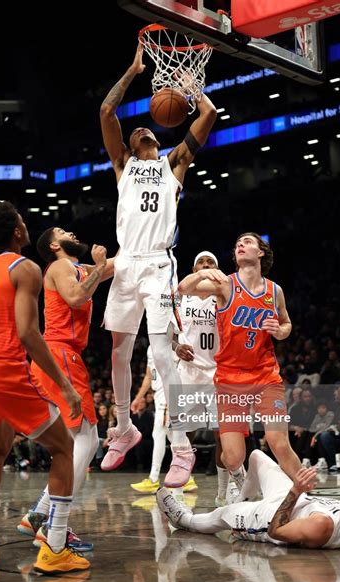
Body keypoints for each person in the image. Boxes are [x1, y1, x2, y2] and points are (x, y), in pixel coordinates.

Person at [0, 201, 89, 574]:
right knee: (64, 446)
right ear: (16, 232)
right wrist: (65, 386)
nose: (27, 226)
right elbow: (28, 332)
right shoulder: (24, 267)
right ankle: (55, 546)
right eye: (23, 222)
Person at [99, 42, 217, 486]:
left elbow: (209, 117)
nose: (142, 131)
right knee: (118, 350)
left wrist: (191, 87)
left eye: (147, 131)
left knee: (163, 351)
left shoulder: (174, 165)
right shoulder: (122, 165)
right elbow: (107, 113)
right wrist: (132, 72)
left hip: (158, 265)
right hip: (127, 262)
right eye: (137, 133)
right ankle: (125, 429)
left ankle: (182, 449)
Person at [177, 233, 301, 494]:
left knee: (278, 443)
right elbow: (183, 289)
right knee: (232, 457)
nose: (240, 246)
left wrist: (280, 331)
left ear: (261, 253)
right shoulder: (226, 285)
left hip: (266, 376)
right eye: (237, 245)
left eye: (247, 242)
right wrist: (204, 273)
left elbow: (286, 323)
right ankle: (241, 487)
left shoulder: (274, 291)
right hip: (231, 380)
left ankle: (304, 493)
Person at [17, 226, 115, 551]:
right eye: (62, 231)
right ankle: (54, 523)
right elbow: (76, 295)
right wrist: (100, 267)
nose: (72, 231)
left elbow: (114, 266)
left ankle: (38, 515)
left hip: (60, 355)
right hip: (61, 353)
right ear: (56, 245)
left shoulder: (77, 268)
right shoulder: (60, 267)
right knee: (87, 442)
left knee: (72, 442)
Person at [157, 449, 340, 549]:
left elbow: (275, 531)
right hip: (296, 500)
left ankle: (184, 519)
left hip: (268, 518)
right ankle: (239, 498)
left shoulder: (323, 525)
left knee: (218, 517)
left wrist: (295, 490)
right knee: (257, 456)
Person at [174, 251, 232, 506]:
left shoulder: (224, 297)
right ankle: (177, 489)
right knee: (184, 434)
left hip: (218, 374)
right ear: (193, 267)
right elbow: (167, 330)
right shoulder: (181, 297)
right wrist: (175, 346)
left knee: (224, 435)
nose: (206, 265)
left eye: (211, 263)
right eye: (201, 262)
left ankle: (222, 493)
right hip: (188, 374)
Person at [129, 346, 197, 493]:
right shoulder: (149, 347)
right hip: (158, 395)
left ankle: (154, 479)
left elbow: (178, 372)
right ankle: (188, 478)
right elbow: (149, 376)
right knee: (174, 438)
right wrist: (138, 398)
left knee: (159, 434)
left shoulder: (170, 345)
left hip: (169, 396)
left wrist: (170, 403)